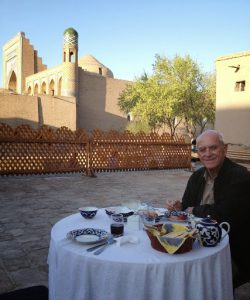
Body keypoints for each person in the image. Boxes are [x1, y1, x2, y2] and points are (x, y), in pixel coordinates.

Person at [166, 129, 250, 288]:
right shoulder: (196, 177)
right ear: (197, 152)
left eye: (213, 148)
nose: (208, 153)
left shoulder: (240, 175)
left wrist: (193, 210)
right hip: (195, 243)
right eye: (202, 149)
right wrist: (179, 206)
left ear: (225, 149)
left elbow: (225, 214)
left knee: (193, 280)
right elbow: (187, 206)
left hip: (228, 251)